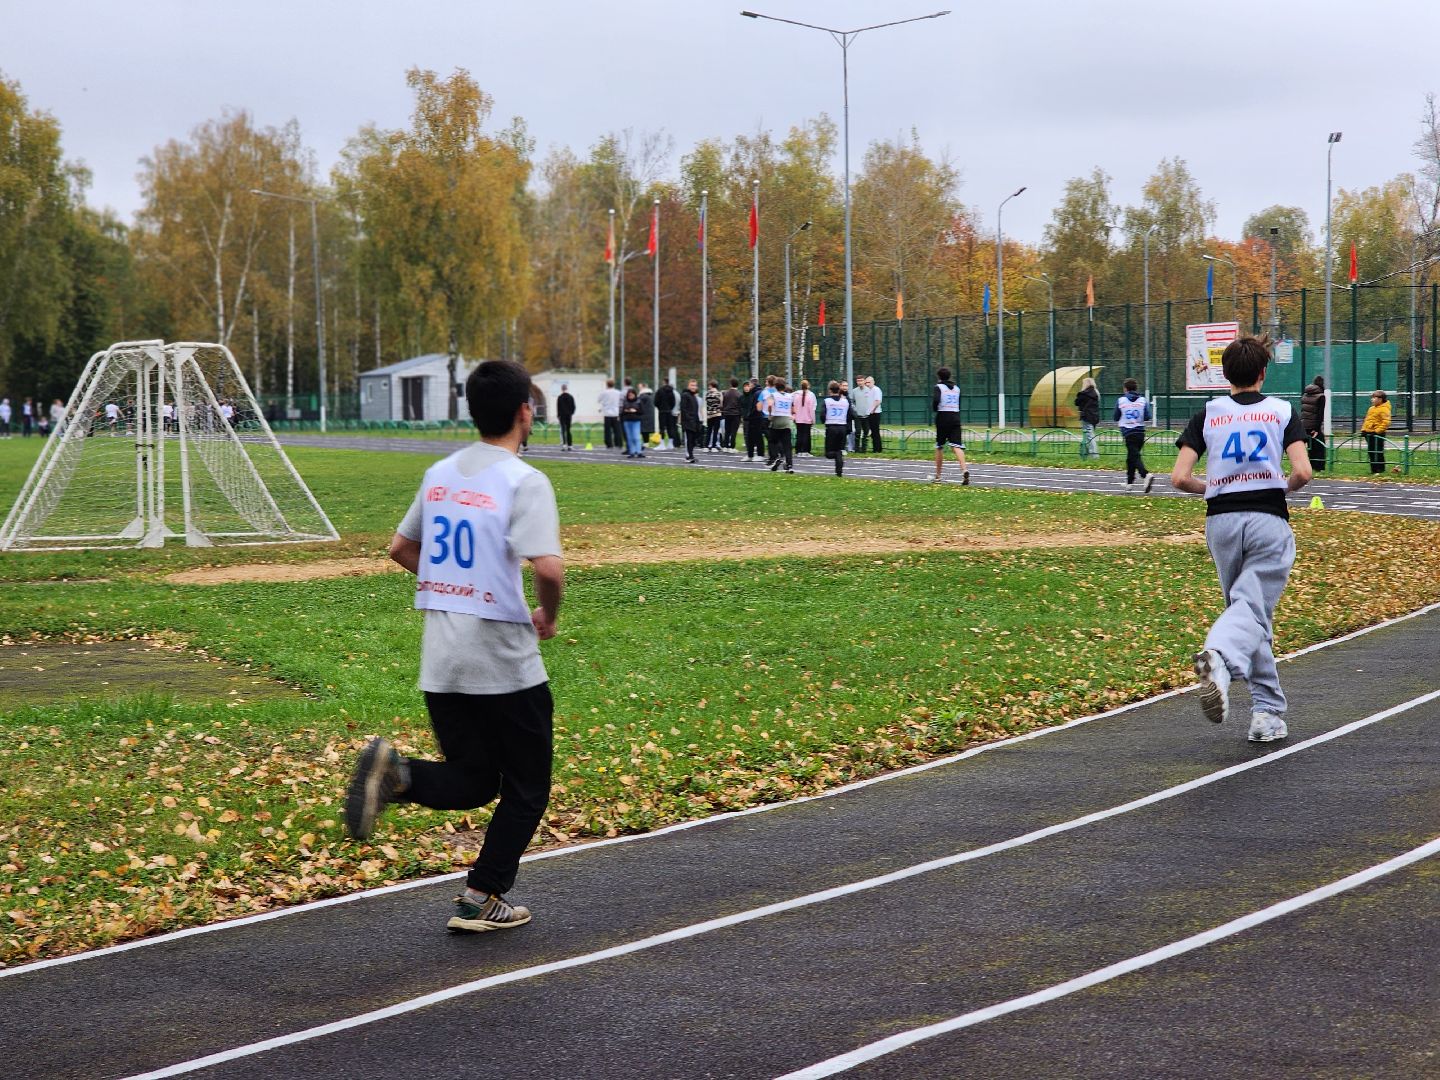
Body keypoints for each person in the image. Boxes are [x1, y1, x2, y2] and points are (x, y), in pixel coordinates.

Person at [345, 358, 564, 933]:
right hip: (503, 661)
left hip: (442, 659)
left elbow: (399, 548)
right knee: (527, 787)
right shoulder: (524, 480)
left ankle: (398, 774)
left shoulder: (440, 473)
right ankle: (482, 895)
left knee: (475, 779)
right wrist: (548, 613)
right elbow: (549, 568)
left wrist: (452, 584)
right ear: (525, 412)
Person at [1171, 334, 1310, 744]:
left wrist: (1214, 488)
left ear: (1225, 374)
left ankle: (1267, 713)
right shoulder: (1281, 411)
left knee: (1248, 613)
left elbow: (1179, 477)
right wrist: (1281, 485)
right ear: (1263, 373)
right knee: (1251, 608)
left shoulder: (1208, 413)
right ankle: (1220, 657)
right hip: (1267, 517)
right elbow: (1303, 472)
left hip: (1221, 522)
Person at [928, 366, 968, 484]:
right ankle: (964, 470)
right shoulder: (957, 388)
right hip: (955, 416)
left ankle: (938, 476)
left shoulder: (938, 387)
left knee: (939, 446)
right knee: (957, 446)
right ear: (949, 376)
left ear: (939, 377)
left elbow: (936, 400)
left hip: (943, 416)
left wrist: (935, 408)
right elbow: (959, 403)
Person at [1115, 378, 1153, 492]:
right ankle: (1129, 483)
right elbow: (1147, 416)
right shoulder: (1142, 400)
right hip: (1140, 432)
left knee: (1134, 456)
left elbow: (1116, 417)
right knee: (1131, 457)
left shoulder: (1121, 401)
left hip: (1128, 432)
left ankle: (1145, 474)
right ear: (1136, 388)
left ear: (1125, 389)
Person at [766, 379, 796, 472]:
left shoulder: (773, 395)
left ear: (775, 386)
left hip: (777, 419)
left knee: (772, 441)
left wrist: (770, 414)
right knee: (787, 445)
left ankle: (776, 457)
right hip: (786, 421)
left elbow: (770, 405)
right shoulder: (790, 396)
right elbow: (793, 410)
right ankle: (789, 465)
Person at [822, 380, 850, 477]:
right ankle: (839, 472)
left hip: (831, 427)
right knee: (839, 450)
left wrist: (824, 421)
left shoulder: (827, 401)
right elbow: (850, 414)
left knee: (828, 453)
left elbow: (822, 415)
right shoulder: (845, 401)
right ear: (839, 390)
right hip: (842, 427)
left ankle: (838, 458)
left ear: (830, 390)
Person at [1299, 375, 1326, 473]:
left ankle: (1308, 465)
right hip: (1313, 426)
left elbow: (1303, 409)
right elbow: (1320, 414)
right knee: (1320, 446)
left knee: (1310, 446)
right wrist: (1317, 429)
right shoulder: (1321, 396)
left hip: (1304, 424)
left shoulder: (1306, 394)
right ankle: (1318, 467)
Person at [1362, 389, 1391, 474]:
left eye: (1374, 398)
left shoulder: (1384, 409)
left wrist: (1377, 431)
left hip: (1377, 434)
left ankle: (1380, 469)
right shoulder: (1371, 409)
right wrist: (1364, 430)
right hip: (1369, 433)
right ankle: (1373, 469)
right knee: (1371, 451)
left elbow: (1386, 422)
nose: (1372, 400)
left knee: (1378, 451)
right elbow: (1367, 420)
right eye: (1372, 398)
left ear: (1380, 399)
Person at [1075, 377, 1101, 459]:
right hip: (1094, 417)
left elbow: (1076, 402)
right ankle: (1087, 452)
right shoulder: (1096, 393)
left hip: (1086, 416)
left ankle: (1094, 455)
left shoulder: (1083, 394)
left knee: (1089, 435)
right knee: (1089, 435)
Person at [680, 378, 704, 462]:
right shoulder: (685, 395)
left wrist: (698, 421)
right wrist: (689, 419)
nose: (693, 387)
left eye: (695, 385)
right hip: (688, 422)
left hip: (695, 422)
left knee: (693, 440)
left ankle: (691, 455)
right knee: (689, 440)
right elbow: (683, 409)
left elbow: (696, 411)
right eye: (692, 385)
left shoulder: (694, 396)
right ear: (688, 386)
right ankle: (688, 456)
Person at [850, 377, 874, 453]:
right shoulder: (854, 391)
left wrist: (870, 410)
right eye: (858, 381)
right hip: (858, 416)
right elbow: (852, 402)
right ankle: (856, 449)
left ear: (864, 381)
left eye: (861, 380)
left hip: (866, 416)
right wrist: (855, 409)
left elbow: (872, 401)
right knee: (858, 432)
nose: (860, 382)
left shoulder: (869, 390)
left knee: (866, 432)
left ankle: (864, 449)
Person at [792, 379, 816, 456]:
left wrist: (794, 416)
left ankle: (798, 450)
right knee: (806, 435)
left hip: (798, 418)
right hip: (807, 419)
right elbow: (812, 409)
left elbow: (793, 406)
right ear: (808, 386)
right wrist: (813, 419)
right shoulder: (811, 395)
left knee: (799, 434)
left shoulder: (796, 395)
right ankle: (806, 450)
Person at [620, 386, 644, 458]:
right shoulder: (625, 402)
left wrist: (635, 411)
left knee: (636, 437)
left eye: (632, 395)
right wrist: (626, 411)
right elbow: (622, 412)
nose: (630, 396)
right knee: (629, 438)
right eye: (629, 395)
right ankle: (632, 452)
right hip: (627, 421)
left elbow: (642, 411)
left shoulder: (639, 401)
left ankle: (639, 452)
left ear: (634, 394)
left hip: (636, 421)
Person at [598, 379, 622, 451]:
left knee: (607, 430)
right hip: (616, 413)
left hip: (607, 413)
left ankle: (609, 444)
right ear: (614, 384)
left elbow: (599, 400)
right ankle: (618, 444)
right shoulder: (618, 392)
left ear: (607, 384)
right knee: (617, 430)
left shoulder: (604, 392)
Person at [720, 378, 742, 451]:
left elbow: (723, 404)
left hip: (727, 414)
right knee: (734, 431)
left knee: (727, 431)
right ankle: (732, 447)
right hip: (736, 414)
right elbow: (740, 405)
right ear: (737, 384)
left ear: (730, 384)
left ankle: (725, 446)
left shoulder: (726, 393)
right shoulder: (739, 394)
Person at [866, 376, 884, 453]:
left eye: (869, 382)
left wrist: (873, 410)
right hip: (870, 413)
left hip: (875, 413)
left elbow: (878, 401)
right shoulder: (868, 390)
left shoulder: (876, 389)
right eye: (866, 382)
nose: (867, 384)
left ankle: (878, 449)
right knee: (873, 432)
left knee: (875, 431)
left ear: (873, 382)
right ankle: (875, 448)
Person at [555, 383, 575, 451]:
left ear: (562, 389)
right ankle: (570, 445)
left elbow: (558, 407)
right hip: (569, 415)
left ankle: (564, 445)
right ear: (567, 388)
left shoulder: (560, 397)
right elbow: (573, 406)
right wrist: (571, 413)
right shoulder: (571, 397)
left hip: (562, 415)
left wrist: (558, 415)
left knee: (563, 430)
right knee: (569, 430)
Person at [638, 382, 656, 450]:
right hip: (649, 414)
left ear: (644, 387)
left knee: (644, 430)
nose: (639, 388)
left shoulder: (643, 396)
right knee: (646, 430)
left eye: (640, 387)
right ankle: (646, 443)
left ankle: (645, 443)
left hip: (644, 415)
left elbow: (639, 404)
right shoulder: (650, 395)